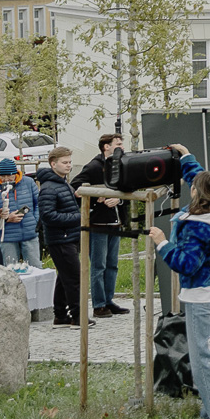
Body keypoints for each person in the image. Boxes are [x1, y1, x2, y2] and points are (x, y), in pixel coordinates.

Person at [147, 144, 210, 419]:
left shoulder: (197, 226)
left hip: (202, 297)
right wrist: (186, 156)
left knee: (204, 360)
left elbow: (187, 264)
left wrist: (161, 242)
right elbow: (199, 176)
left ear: (196, 193)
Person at [73, 134, 126, 317]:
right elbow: (76, 187)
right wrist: (98, 197)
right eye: (118, 144)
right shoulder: (94, 166)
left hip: (115, 221)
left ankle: (109, 300)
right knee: (99, 265)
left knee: (112, 264)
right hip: (98, 223)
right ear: (106, 147)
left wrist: (118, 200)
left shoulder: (120, 164)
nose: (121, 147)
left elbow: (125, 189)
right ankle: (98, 304)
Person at [36, 146, 85, 327]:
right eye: (65, 162)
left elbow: (65, 205)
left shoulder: (62, 183)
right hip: (60, 238)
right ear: (53, 164)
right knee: (73, 278)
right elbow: (48, 215)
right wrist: (79, 218)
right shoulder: (49, 187)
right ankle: (77, 316)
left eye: (70, 162)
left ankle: (60, 315)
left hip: (68, 236)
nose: (69, 166)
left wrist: (77, 199)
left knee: (64, 277)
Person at [0, 158, 42, 270]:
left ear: (16, 173)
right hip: (7, 236)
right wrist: (6, 218)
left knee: (35, 267)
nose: (6, 179)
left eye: (9, 175)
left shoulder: (29, 183)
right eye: (2, 176)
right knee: (10, 269)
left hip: (29, 233)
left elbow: (38, 203)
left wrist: (35, 221)